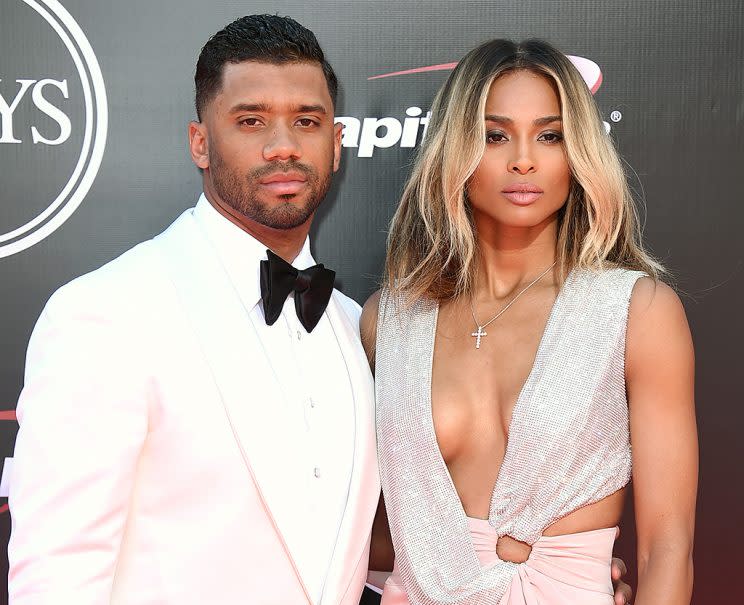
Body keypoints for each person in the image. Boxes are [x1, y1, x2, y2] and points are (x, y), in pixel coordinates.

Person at [8, 15, 380, 604]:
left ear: (336, 144)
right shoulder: (104, 315)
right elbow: (57, 575)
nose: (283, 145)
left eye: (306, 122)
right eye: (251, 120)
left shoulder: (346, 320)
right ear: (200, 143)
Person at [361, 39, 696, 604]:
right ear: (456, 151)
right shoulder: (387, 320)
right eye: (495, 136)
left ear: (579, 152)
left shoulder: (637, 311)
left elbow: (668, 544)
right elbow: (364, 531)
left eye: (550, 135)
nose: (524, 159)